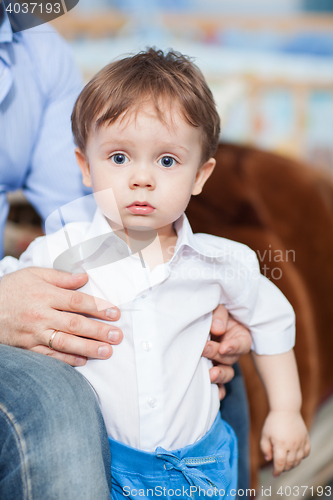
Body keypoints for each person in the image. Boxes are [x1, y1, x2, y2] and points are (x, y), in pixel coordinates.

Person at [1, 48, 310, 499]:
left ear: (200, 176)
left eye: (167, 161)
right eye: (119, 158)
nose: (141, 178)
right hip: (110, 463)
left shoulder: (222, 262)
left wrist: (286, 410)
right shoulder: (58, 254)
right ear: (85, 167)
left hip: (202, 467)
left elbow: (271, 318)